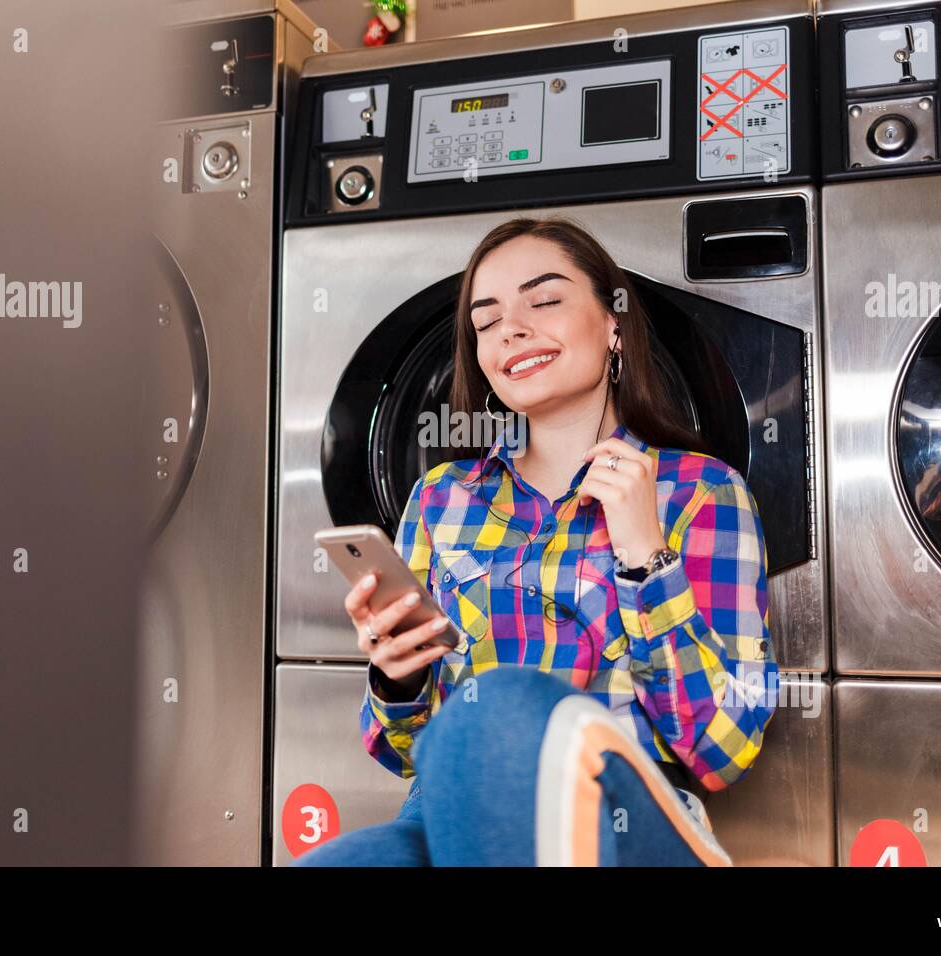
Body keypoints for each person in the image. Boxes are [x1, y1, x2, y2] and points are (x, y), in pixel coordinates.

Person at [295, 216, 778, 866]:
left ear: (614, 325)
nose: (511, 329)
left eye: (543, 300)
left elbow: (723, 750)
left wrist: (645, 555)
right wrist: (396, 676)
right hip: (446, 819)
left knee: (500, 705)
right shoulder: (441, 499)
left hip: (626, 826)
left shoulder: (700, 492)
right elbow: (402, 749)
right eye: (486, 320)